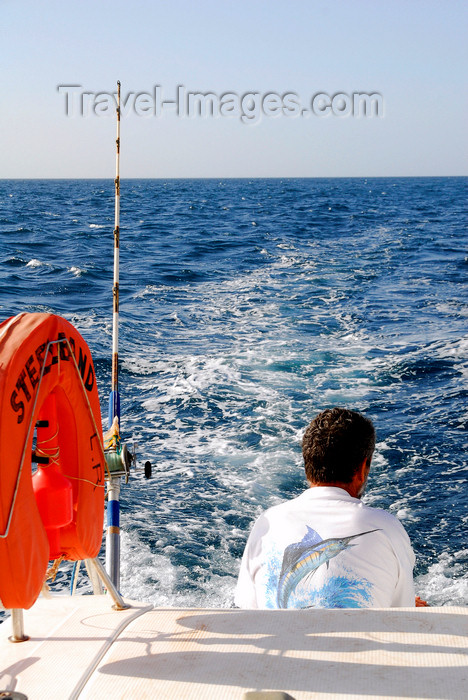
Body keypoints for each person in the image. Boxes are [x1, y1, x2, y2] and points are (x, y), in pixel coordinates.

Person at [235, 407, 428, 609]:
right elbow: (401, 612)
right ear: (362, 468)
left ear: (308, 465)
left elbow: (248, 608)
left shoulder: (268, 522)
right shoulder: (387, 527)